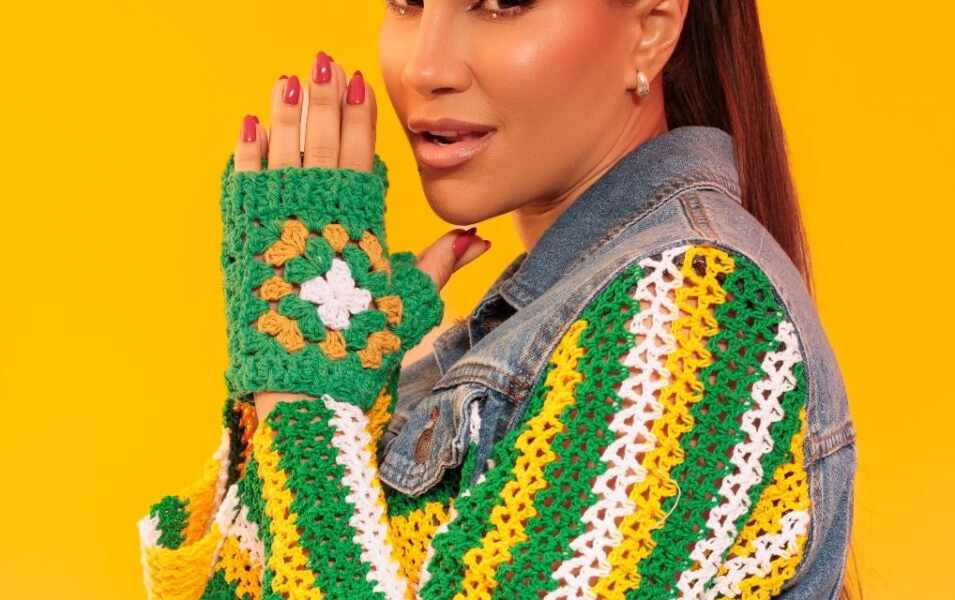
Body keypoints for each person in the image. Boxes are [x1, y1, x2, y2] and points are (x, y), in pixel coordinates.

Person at [137, 1, 857, 598]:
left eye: (501, 3)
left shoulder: (693, 315)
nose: (425, 68)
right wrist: (322, 398)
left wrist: (305, 399)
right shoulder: (558, 319)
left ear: (650, 28)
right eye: (407, 1)